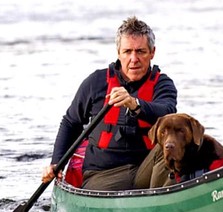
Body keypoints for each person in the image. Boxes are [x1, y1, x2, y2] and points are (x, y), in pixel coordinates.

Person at [42, 16, 178, 191]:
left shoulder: (163, 84)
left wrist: (135, 104)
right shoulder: (96, 82)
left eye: (141, 51)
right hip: (103, 174)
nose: (134, 59)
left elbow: (167, 113)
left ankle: (163, 200)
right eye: (128, 51)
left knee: (174, 142)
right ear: (118, 53)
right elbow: (71, 122)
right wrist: (56, 163)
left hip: (146, 171)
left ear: (152, 52)